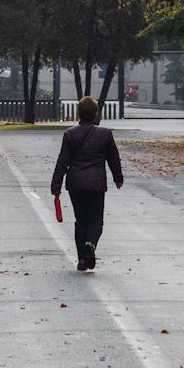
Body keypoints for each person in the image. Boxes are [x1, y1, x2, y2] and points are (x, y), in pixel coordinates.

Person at [50, 95, 123, 271]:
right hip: (96, 183)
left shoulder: (70, 134)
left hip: (75, 183)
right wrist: (118, 178)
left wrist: (56, 185)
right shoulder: (105, 134)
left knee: (80, 221)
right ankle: (90, 243)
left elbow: (63, 161)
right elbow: (113, 158)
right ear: (96, 112)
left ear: (79, 113)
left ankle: (82, 259)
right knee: (96, 220)